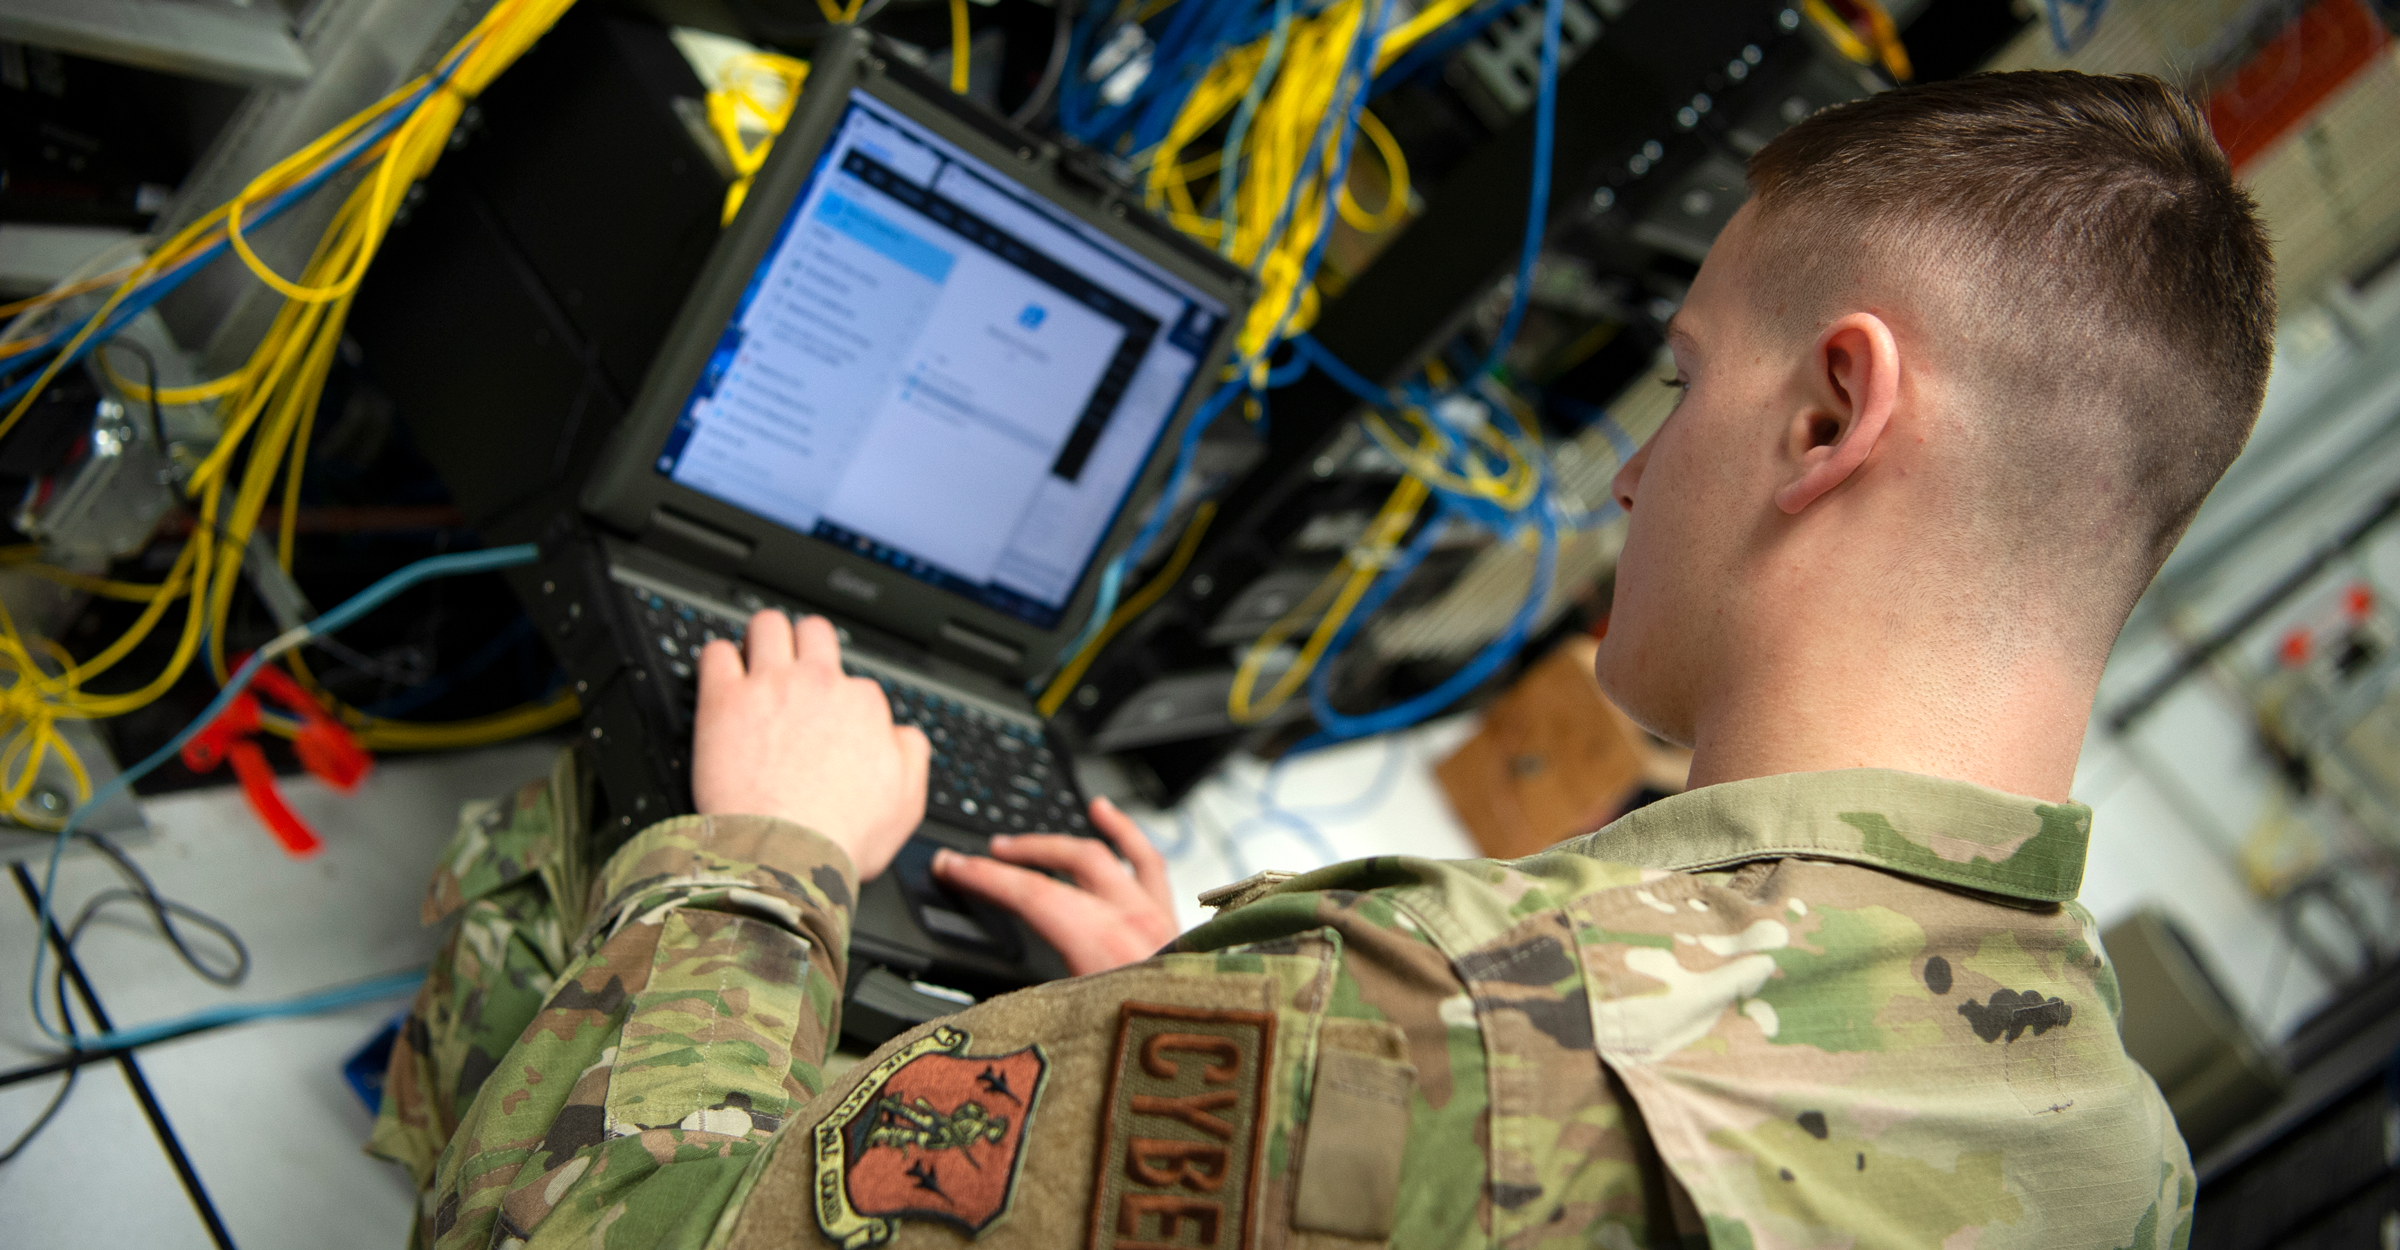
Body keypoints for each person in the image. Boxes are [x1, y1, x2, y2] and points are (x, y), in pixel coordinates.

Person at [372, 69, 2270, 1249]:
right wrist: (1165, 1033)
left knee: (546, 890)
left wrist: (765, 861)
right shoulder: (2117, 1155)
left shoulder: (1424, 1028)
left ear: (1831, 409)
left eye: (1686, 380)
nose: (1631, 468)